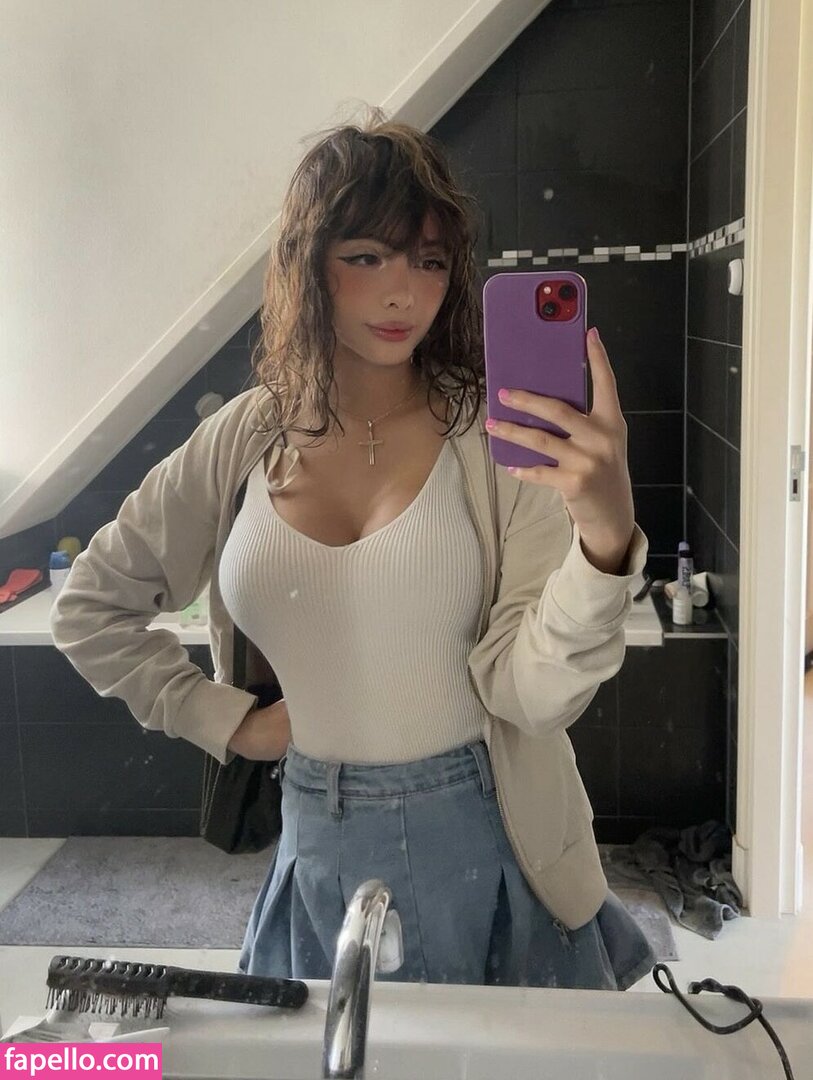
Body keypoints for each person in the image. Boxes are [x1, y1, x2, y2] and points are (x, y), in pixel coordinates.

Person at [51, 106, 655, 990]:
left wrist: (602, 540)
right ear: (307, 264)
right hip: (315, 833)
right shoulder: (243, 436)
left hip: (491, 830)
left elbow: (531, 695)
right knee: (339, 1045)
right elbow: (89, 609)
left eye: (429, 261)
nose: (403, 293)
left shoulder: (494, 438)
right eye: (366, 257)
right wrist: (225, 720)